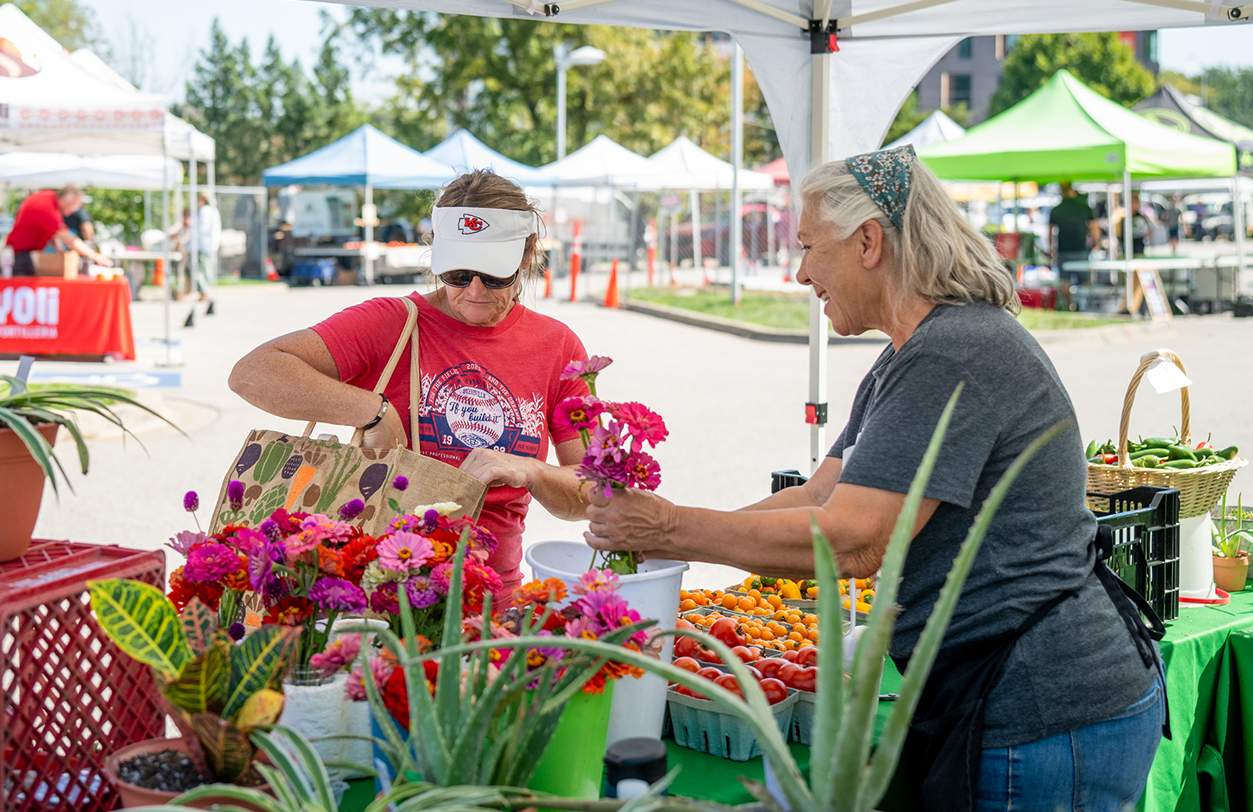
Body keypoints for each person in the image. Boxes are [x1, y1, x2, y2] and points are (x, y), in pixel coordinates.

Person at [583, 146, 1164, 812]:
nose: (801, 272)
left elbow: (857, 540)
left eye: (809, 247)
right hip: (1014, 695)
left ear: (867, 242)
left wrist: (669, 526)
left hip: (1044, 708)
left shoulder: (951, 350)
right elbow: (818, 495)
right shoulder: (909, 354)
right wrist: (664, 541)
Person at [228, 169, 590, 591]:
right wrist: (372, 411)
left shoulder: (557, 347)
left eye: (495, 276)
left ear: (527, 255)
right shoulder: (392, 323)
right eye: (457, 274)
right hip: (383, 596)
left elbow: (591, 494)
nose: (474, 291)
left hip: (494, 598)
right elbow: (252, 373)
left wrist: (530, 471)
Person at [3, 184, 110, 276]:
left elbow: (45, 227)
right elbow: (70, 239)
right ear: (64, 199)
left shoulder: (47, 196)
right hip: (19, 256)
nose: (74, 211)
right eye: (73, 206)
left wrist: (57, 244)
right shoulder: (47, 208)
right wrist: (95, 256)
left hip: (21, 253)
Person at [1047, 181, 1096, 288]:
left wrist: (1051, 249)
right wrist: (1095, 243)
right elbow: (1094, 227)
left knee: (1064, 282)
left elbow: (1050, 232)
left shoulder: (1057, 209)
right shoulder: (1083, 207)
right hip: (1080, 249)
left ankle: (1067, 300)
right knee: (1085, 282)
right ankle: (1084, 300)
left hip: (1063, 250)